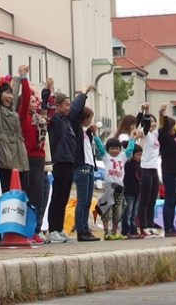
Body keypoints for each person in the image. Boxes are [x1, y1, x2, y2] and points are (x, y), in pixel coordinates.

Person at [46, 84, 92, 243]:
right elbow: (48, 104)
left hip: (69, 161)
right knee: (58, 196)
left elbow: (76, 108)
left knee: (64, 196)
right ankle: (52, 230)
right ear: (57, 106)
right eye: (66, 105)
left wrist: (84, 93)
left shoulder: (67, 121)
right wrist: (49, 90)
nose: (69, 108)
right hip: (60, 161)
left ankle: (59, 229)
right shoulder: (55, 119)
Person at [17, 67, 47, 242]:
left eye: (37, 101)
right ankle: (25, 231)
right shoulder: (23, 117)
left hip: (40, 160)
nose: (36, 102)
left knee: (39, 197)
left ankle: (35, 229)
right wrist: (24, 78)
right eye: (33, 100)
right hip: (28, 158)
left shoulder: (39, 120)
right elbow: (27, 96)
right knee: (28, 195)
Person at [0, 65, 29, 194]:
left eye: (11, 93)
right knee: (8, 191)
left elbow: (16, 91)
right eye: (6, 92)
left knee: (22, 192)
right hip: (5, 155)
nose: (10, 96)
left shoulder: (12, 110)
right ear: (0, 95)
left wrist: (20, 76)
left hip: (19, 154)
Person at [93, 131, 136, 239]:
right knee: (106, 209)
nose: (114, 150)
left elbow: (130, 149)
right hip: (109, 187)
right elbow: (100, 147)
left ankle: (114, 231)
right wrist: (95, 135)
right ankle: (106, 231)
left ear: (120, 149)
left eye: (116, 148)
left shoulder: (122, 157)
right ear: (108, 150)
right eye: (112, 148)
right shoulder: (106, 157)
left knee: (118, 211)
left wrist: (131, 138)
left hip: (119, 188)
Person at [158, 105, 176, 237]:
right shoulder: (163, 137)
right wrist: (162, 112)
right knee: (169, 201)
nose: (172, 129)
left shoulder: (174, 137)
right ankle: (168, 228)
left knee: (173, 201)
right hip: (169, 172)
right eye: (170, 127)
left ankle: (172, 226)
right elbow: (163, 126)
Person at [74, 107, 100, 241]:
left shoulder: (85, 133)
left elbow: (87, 145)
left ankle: (85, 228)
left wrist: (91, 132)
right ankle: (81, 229)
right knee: (82, 200)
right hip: (81, 167)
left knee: (88, 201)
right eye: (89, 118)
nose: (90, 121)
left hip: (89, 166)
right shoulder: (76, 129)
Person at [136, 103, 161, 236]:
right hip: (145, 168)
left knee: (152, 199)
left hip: (154, 169)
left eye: (154, 121)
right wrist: (147, 111)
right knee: (144, 199)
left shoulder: (155, 135)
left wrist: (162, 112)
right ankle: (143, 225)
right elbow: (144, 124)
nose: (152, 124)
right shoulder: (145, 134)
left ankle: (151, 224)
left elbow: (164, 127)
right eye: (150, 121)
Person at [121, 142, 143, 239]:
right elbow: (124, 144)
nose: (139, 157)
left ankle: (134, 230)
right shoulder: (128, 164)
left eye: (140, 155)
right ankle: (126, 230)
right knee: (128, 212)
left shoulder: (139, 166)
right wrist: (133, 140)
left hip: (136, 192)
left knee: (134, 213)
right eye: (137, 155)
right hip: (129, 192)